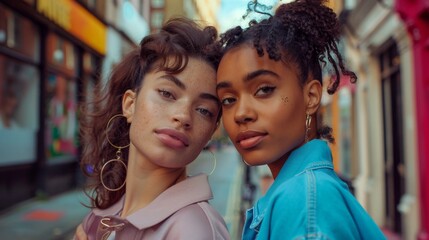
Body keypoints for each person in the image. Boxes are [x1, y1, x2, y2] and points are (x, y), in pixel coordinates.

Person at [216, 0, 386, 239]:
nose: (241, 113)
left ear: (311, 96)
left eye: (264, 89)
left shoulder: (304, 201)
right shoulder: (308, 191)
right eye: (228, 99)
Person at [75, 17, 229, 240]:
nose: (183, 116)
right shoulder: (99, 219)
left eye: (204, 110)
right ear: (130, 104)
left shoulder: (193, 230)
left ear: (212, 130)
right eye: (167, 94)